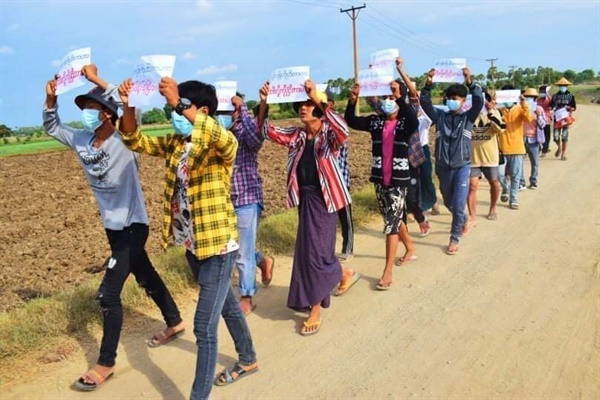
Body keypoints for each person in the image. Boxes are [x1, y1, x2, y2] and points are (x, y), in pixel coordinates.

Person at [42, 65, 184, 392]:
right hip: (113, 227)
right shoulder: (81, 141)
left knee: (107, 294)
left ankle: (106, 362)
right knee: (144, 273)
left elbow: (128, 113)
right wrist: (50, 99)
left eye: (91, 109)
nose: (86, 115)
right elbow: (52, 126)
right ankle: (174, 321)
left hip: (134, 224)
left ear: (107, 114)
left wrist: (95, 79)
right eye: (84, 110)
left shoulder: (124, 138)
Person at [117, 77, 257, 399]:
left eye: (178, 108)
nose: (173, 114)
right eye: (170, 109)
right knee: (229, 307)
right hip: (193, 244)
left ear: (203, 110)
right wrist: (128, 104)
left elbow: (225, 140)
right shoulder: (176, 144)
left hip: (218, 245)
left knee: (203, 328)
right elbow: (134, 139)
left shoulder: (219, 144)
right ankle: (248, 359)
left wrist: (179, 100)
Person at [259, 80, 361, 335]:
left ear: (318, 106)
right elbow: (266, 131)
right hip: (305, 199)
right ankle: (342, 272)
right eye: (301, 105)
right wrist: (263, 103)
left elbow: (343, 129)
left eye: (307, 104)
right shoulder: (297, 135)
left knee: (315, 253)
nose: (302, 109)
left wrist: (316, 96)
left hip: (326, 200)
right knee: (310, 251)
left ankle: (315, 306)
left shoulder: (329, 134)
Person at [345, 79, 419, 289]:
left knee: (390, 225)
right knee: (392, 217)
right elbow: (351, 120)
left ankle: (387, 271)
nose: (388, 101)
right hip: (379, 180)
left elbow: (413, 119)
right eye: (385, 98)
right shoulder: (375, 122)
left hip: (398, 181)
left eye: (391, 98)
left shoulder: (405, 123)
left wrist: (400, 97)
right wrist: (352, 100)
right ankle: (410, 248)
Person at [217, 94, 275, 316]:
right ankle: (262, 261)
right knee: (236, 247)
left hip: (247, 198)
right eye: (220, 112)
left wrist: (243, 109)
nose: (224, 117)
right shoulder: (218, 134)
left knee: (242, 252)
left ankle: (247, 296)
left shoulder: (244, 131)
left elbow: (257, 137)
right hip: (223, 200)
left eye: (229, 111)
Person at [420, 67, 484, 255]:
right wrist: (429, 83)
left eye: (457, 98)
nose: (453, 101)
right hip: (442, 168)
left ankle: (454, 238)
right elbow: (425, 103)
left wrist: (470, 82)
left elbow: (479, 101)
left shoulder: (468, 118)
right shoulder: (439, 117)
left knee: (457, 204)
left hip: (462, 167)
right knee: (450, 202)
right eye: (450, 98)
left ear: (463, 101)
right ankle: (463, 218)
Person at [467, 92, 504, 225]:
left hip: (490, 157)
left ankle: (493, 207)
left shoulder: (494, 113)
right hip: (472, 158)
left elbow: (500, 129)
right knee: (472, 187)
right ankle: (472, 215)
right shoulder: (468, 115)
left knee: (494, 183)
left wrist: (491, 112)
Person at [326, 91, 355, 261]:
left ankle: (348, 247)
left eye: (327, 101)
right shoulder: (317, 123)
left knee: (345, 217)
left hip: (341, 177)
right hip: (325, 181)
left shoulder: (337, 121)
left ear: (333, 103)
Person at [497, 85, 535, 210]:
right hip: (501, 149)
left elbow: (529, 117)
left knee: (515, 175)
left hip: (517, 148)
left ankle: (513, 199)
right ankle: (505, 188)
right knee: (499, 174)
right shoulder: (499, 111)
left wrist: (523, 102)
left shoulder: (519, 109)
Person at [520, 88, 547, 189]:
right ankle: (521, 182)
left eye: (531, 98)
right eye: (527, 97)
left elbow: (543, 125)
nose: (529, 99)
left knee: (534, 162)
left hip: (534, 139)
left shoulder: (539, 109)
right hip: (521, 138)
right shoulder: (520, 108)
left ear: (535, 99)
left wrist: (539, 116)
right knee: (520, 162)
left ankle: (533, 181)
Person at [550, 77, 577, 161]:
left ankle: (563, 154)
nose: (562, 86)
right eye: (561, 85)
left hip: (566, 119)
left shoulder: (571, 96)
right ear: (558, 86)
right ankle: (559, 147)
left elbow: (574, 107)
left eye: (564, 85)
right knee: (555, 137)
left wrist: (570, 108)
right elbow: (551, 106)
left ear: (567, 86)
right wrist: (552, 110)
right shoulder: (555, 96)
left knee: (564, 137)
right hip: (557, 119)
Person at [537, 85, 553, 156]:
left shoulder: (549, 99)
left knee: (546, 136)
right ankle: (541, 149)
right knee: (540, 135)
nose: (541, 93)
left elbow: (553, 104)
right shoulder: (538, 100)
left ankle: (545, 150)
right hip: (539, 120)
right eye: (540, 91)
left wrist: (548, 95)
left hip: (547, 120)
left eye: (543, 91)